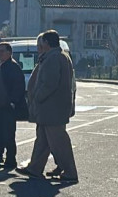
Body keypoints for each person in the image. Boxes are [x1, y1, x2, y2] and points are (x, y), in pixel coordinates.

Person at [18, 30, 79, 183]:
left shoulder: (54, 58)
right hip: (50, 108)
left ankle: (70, 171)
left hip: (51, 107)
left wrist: (37, 97)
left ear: (46, 43)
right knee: (43, 140)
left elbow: (50, 83)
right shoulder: (58, 56)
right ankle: (35, 168)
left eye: (42, 42)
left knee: (59, 141)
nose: (40, 45)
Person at [0, 42, 25, 171]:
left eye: (2, 51)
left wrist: (12, 102)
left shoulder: (13, 67)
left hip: (8, 107)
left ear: (9, 53)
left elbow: (18, 87)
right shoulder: (1, 66)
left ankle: (10, 160)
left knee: (8, 134)